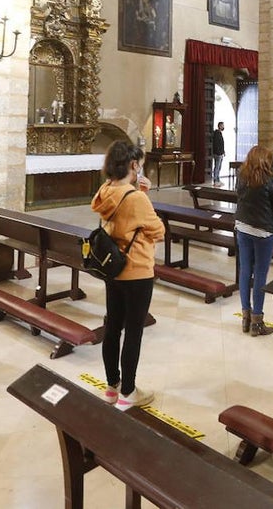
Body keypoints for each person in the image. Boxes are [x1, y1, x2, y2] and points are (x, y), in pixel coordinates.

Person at [91, 142, 164, 411]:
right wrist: (143, 195)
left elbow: (124, 220)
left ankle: (112, 387)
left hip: (113, 269)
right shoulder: (135, 198)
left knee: (113, 327)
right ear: (133, 165)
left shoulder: (105, 191)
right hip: (137, 271)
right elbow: (158, 230)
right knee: (133, 331)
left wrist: (139, 192)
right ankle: (129, 392)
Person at [234, 146, 273, 336]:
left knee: (245, 271)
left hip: (243, 227)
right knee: (260, 273)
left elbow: (239, 197)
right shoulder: (270, 180)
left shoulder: (242, 177)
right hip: (263, 231)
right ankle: (257, 320)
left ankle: (245, 316)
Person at [211, 121, 226, 186]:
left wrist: (223, 152)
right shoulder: (217, 133)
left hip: (221, 153)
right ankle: (215, 181)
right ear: (219, 126)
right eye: (222, 125)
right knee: (217, 167)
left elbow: (221, 144)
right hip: (218, 154)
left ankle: (218, 179)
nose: (223, 126)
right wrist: (219, 153)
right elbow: (216, 144)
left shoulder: (220, 133)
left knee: (219, 167)